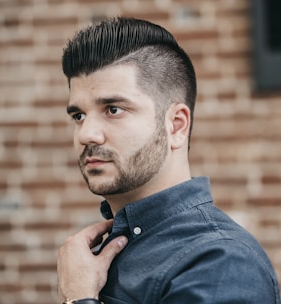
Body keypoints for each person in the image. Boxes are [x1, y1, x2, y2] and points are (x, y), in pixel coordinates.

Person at [57, 17, 281, 304]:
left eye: (113, 109)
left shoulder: (221, 263)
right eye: (79, 116)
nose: (87, 134)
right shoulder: (99, 253)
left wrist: (78, 299)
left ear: (176, 125)